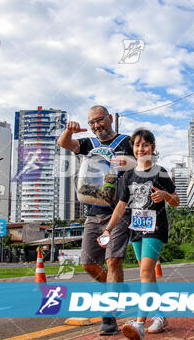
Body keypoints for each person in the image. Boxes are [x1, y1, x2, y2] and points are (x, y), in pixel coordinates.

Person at [57, 105, 135, 335]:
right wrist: (69, 130)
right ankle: (119, 289)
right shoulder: (89, 145)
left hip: (119, 210)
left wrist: (125, 163)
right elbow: (63, 143)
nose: (96, 126)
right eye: (91, 122)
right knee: (88, 264)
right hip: (92, 211)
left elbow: (144, 161)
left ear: (110, 119)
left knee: (113, 261)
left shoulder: (126, 141)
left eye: (99, 120)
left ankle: (109, 317)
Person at [100, 128, 179, 339]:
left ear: (152, 148)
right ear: (133, 149)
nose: (141, 149)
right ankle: (160, 315)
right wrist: (108, 228)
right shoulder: (128, 176)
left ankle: (139, 324)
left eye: (145, 145)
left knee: (145, 272)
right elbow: (120, 207)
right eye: (137, 145)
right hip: (136, 229)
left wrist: (165, 195)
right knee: (149, 276)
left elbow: (177, 200)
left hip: (156, 228)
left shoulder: (160, 172)